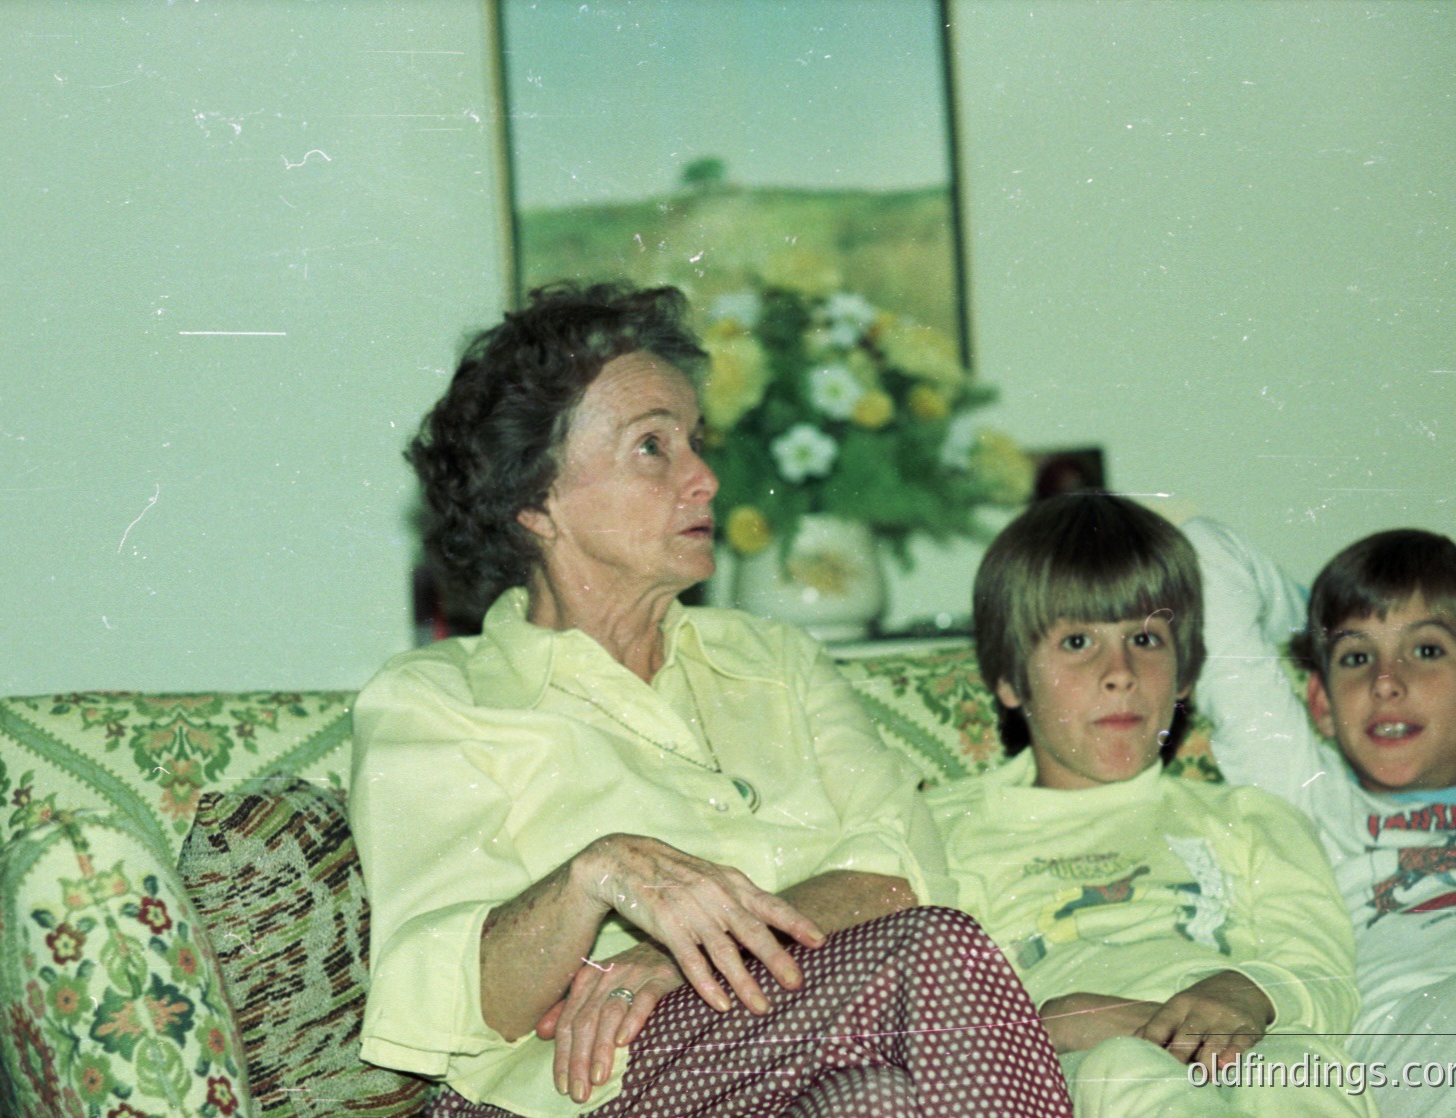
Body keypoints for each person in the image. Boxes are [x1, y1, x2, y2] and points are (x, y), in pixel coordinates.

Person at [350, 282, 1073, 1118]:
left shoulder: (776, 659)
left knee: (875, 1102)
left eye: (695, 441)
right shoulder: (436, 702)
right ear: (535, 501)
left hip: (793, 1052)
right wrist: (600, 872)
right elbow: (444, 1000)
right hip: (584, 1095)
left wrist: (693, 956)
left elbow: (908, 873)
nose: (704, 477)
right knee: (937, 958)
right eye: (652, 447)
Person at [925, 494, 1374, 1117]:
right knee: (1123, 1067)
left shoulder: (1248, 817)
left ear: (1186, 671)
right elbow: (913, 1010)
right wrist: (1042, 1026)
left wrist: (1249, 990)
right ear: (1008, 679)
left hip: (1250, 1045)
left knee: (1288, 1070)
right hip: (1079, 1063)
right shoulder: (942, 829)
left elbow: (1323, 968)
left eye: (1145, 638)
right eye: (1078, 640)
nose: (1120, 672)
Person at [1188, 518, 1456, 1118]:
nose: (1386, 682)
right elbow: (1208, 555)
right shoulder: (1312, 798)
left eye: (1426, 650)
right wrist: (1315, 636)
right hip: (1413, 1045)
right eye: (1358, 657)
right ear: (1322, 704)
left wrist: (1341, 642)